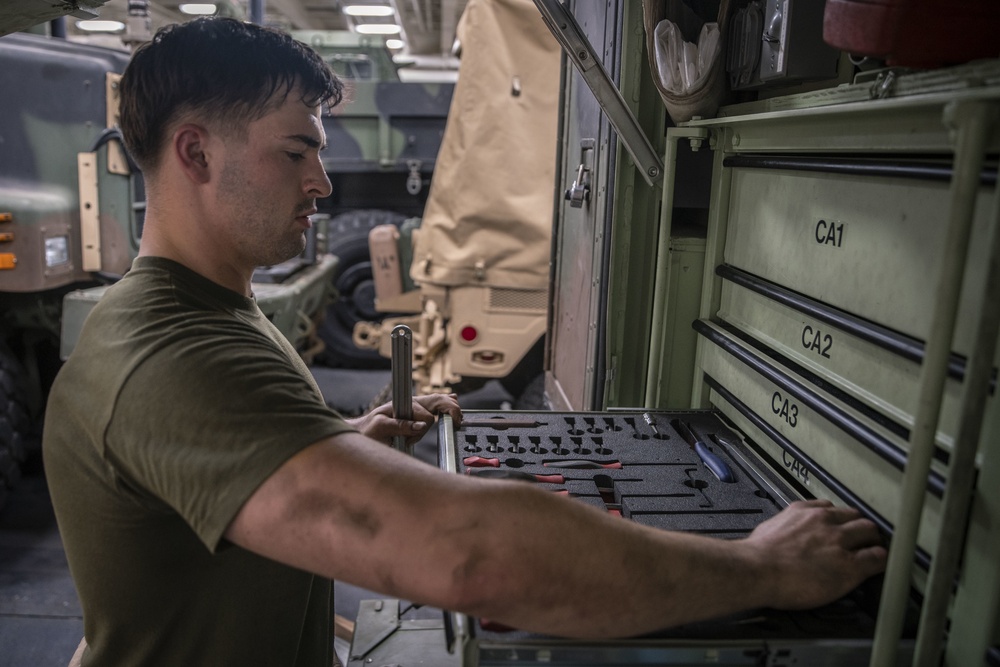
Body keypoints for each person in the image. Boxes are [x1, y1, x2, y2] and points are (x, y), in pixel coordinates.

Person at [43, 17, 887, 667]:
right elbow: (469, 553)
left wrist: (337, 449)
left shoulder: (213, 308)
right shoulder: (173, 351)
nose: (323, 181)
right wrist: (762, 568)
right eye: (297, 150)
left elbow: (207, 494)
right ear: (194, 152)